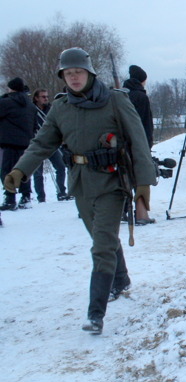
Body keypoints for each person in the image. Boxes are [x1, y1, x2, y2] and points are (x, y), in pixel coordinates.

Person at [3, 48, 156, 335]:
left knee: (101, 245)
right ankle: (120, 280)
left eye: (78, 72)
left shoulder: (115, 100)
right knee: (103, 238)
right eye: (68, 73)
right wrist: (20, 171)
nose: (74, 78)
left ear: (89, 73)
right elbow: (42, 143)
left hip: (112, 182)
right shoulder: (61, 107)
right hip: (81, 183)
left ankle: (95, 313)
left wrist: (143, 186)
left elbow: (138, 141)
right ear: (63, 76)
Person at [122, 65, 155, 225]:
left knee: (123, 176)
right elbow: (146, 124)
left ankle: (123, 210)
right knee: (142, 177)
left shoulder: (120, 95)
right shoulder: (141, 97)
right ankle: (141, 213)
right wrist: (148, 144)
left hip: (120, 143)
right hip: (139, 142)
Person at [1, 77, 34, 211]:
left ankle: (10, 198)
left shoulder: (7, 103)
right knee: (23, 170)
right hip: (27, 142)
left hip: (9, 142)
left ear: (11, 88)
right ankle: (26, 197)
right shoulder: (30, 104)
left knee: (7, 171)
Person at [31, 89, 70, 202]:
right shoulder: (32, 110)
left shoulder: (51, 109)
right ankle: (41, 197)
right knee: (38, 173)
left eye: (47, 97)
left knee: (61, 167)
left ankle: (61, 192)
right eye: (43, 97)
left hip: (51, 143)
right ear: (36, 98)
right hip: (38, 143)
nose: (46, 99)